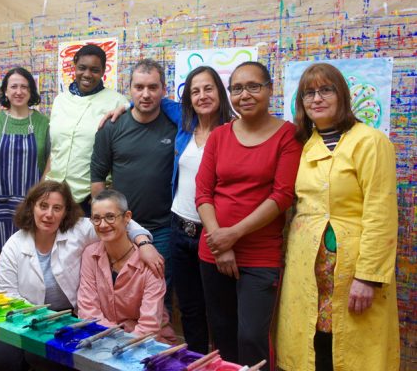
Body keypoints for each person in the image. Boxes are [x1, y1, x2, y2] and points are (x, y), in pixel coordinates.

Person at [277, 63, 399, 370]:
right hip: (308, 263)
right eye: (309, 93)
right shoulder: (304, 145)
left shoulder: (370, 141)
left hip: (352, 266)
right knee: (313, 344)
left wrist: (368, 276)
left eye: (325, 90)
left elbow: (381, 212)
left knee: (351, 347)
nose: (317, 98)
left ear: (342, 94)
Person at [0, 180, 163, 371]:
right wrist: (36, 322)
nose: (49, 214)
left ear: (65, 212)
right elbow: (7, 297)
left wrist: (144, 243)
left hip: (68, 318)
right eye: (43, 206)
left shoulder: (79, 229)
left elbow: (120, 221)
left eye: (57, 208)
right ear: (31, 207)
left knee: (43, 357)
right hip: (27, 317)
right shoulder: (14, 245)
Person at [195, 61, 302, 369]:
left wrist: (233, 235)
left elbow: (281, 196)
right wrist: (220, 242)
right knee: (223, 334)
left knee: (252, 337)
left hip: (259, 254)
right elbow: (203, 193)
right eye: (237, 88)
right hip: (213, 251)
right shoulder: (219, 135)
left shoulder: (288, 135)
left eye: (254, 86)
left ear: (270, 89)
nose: (245, 95)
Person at [91, 58, 177, 317]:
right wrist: (107, 222)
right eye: (139, 87)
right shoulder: (111, 126)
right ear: (130, 89)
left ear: (163, 89)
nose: (146, 94)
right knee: (120, 296)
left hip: (163, 229)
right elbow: (97, 179)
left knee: (158, 301)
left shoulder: (176, 126)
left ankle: (156, 343)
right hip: (122, 228)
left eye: (153, 87)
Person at [166, 66, 234, 353]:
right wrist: (123, 106)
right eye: (195, 91)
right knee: (189, 308)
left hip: (213, 233)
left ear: (220, 91)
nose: (202, 96)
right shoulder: (185, 127)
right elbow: (155, 100)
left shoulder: (234, 131)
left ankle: (223, 364)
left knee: (219, 311)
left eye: (208, 89)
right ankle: (195, 361)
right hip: (179, 230)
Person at [47, 44, 129, 215]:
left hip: (89, 198)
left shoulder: (117, 102)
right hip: (53, 194)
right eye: (82, 68)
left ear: (103, 71)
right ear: (74, 67)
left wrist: (106, 193)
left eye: (94, 70)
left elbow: (123, 154)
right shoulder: (60, 100)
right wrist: (42, 186)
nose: (87, 74)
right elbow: (55, 150)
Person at [78, 189, 169, 339]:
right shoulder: (90, 254)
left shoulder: (150, 261)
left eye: (110, 217)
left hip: (147, 343)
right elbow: (88, 312)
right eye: (96, 218)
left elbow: (149, 326)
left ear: (127, 217)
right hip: (102, 339)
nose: (102, 225)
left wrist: (119, 343)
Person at [0, 67, 50, 253]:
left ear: (31, 91)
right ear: (5, 91)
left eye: (24, 87)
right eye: (13, 87)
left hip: (31, 202)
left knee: (33, 254)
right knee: (5, 256)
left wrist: (40, 195)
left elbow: (50, 161)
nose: (19, 92)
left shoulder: (43, 123)